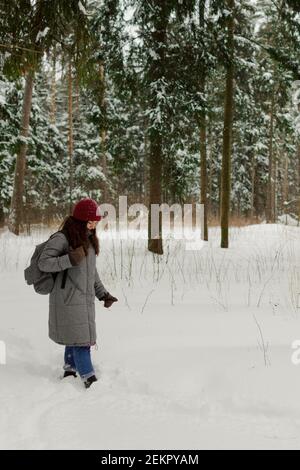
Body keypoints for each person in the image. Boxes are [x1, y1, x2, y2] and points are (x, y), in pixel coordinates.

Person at [38, 198, 118, 389]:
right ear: (80, 220)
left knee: (76, 335)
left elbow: (91, 273)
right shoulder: (63, 238)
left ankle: (69, 369)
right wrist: (69, 259)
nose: (94, 225)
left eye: (96, 222)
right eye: (91, 221)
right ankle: (89, 379)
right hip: (67, 299)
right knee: (82, 340)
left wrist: (103, 294)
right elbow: (44, 262)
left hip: (83, 299)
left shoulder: (88, 239)